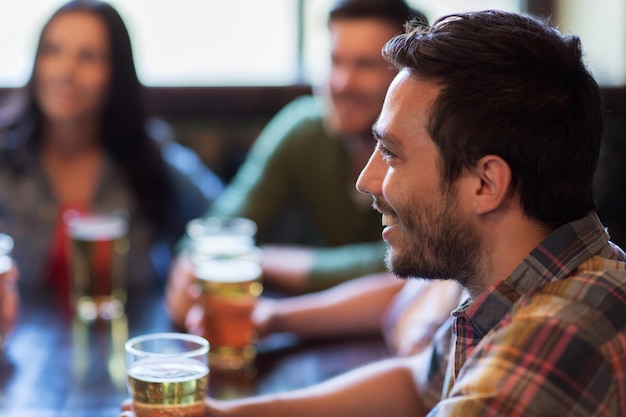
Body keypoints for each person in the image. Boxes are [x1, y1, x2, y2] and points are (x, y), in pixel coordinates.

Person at [120, 9, 626, 417]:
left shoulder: (532, 365)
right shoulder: (540, 281)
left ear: (485, 183)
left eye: (391, 154)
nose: (368, 181)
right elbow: (416, 384)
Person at [166, 0, 426, 328]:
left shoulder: (430, 150)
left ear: (409, 78)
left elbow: (408, 266)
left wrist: (259, 260)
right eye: (335, 62)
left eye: (365, 65)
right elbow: (223, 223)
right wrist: (190, 266)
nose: (342, 83)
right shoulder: (305, 129)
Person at [0, 0, 223, 305]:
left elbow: (224, 220)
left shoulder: (148, 156)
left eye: (88, 57)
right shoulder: (6, 154)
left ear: (116, 72)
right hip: (18, 344)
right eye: (52, 51)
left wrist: (186, 265)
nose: (66, 71)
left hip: (129, 340)